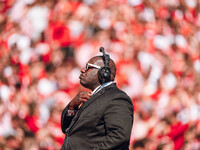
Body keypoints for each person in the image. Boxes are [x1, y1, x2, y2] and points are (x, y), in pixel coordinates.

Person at [61, 47, 134, 150]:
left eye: (87, 67)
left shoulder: (117, 98)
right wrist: (72, 107)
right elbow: (67, 129)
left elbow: (119, 136)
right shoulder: (94, 97)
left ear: (104, 72)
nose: (82, 70)